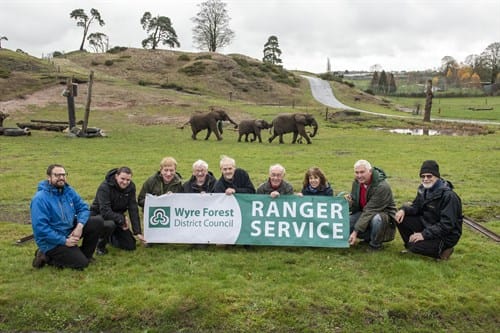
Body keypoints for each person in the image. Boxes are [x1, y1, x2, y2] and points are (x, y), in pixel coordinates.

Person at [30, 164, 103, 269]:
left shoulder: (68, 191)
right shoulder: (40, 199)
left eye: (63, 175)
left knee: (97, 221)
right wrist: (64, 241)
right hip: (51, 241)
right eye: (57, 175)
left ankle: (86, 256)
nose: (61, 178)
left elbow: (83, 208)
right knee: (81, 264)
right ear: (49, 177)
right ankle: (45, 255)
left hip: (68, 230)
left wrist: (79, 226)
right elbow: (41, 229)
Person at [395, 160, 463, 260]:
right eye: (423, 176)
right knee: (400, 218)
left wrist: (423, 235)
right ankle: (411, 245)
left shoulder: (449, 196)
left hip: (446, 235)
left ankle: (444, 250)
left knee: (415, 247)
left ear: (437, 176)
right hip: (428, 224)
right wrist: (403, 210)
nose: (425, 179)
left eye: (429, 176)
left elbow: (447, 225)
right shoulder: (423, 189)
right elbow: (416, 206)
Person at [90, 167, 145, 255]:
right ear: (116, 176)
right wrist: (122, 219)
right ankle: (100, 245)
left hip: (117, 217)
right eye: (122, 179)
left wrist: (137, 232)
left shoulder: (131, 187)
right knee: (109, 225)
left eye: (128, 180)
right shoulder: (104, 187)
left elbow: (133, 208)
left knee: (130, 245)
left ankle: (110, 236)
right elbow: (105, 211)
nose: (125, 182)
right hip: (99, 216)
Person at [347, 159, 396, 250]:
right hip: (364, 212)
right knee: (346, 223)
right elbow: (356, 208)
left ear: (370, 171)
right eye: (356, 172)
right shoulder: (356, 183)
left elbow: (370, 210)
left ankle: (375, 245)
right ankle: (367, 238)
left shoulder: (382, 187)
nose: (359, 175)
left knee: (377, 219)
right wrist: (350, 203)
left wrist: (355, 232)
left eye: (362, 172)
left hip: (384, 217)